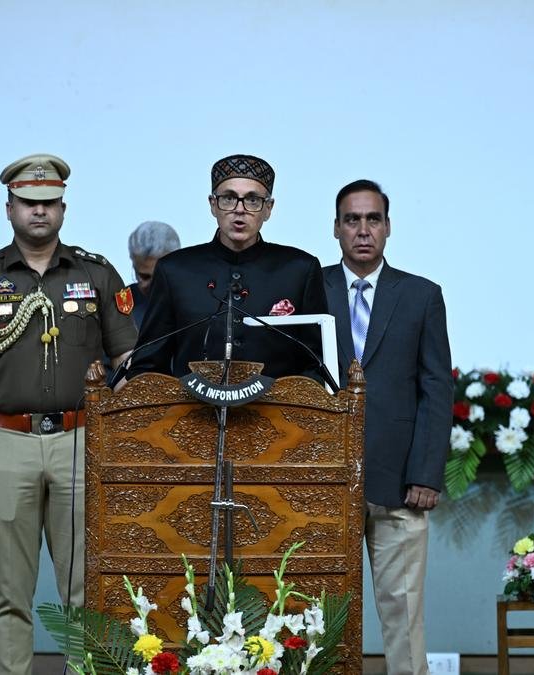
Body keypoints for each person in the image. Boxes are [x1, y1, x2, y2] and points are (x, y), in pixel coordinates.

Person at [0, 153, 137, 675]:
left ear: (63, 209)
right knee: (9, 592)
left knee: (84, 591)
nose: (39, 212)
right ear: (9, 208)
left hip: (81, 443)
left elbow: (129, 361)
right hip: (5, 445)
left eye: (49, 203)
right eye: (29, 203)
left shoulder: (96, 272)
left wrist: (122, 440)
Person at [323, 179, 452, 675]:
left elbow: (435, 388)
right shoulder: (312, 287)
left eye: (372, 219)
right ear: (336, 229)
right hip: (325, 481)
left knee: (402, 613)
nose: (362, 230)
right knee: (319, 614)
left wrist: (426, 473)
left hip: (400, 482)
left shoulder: (421, 295)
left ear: (388, 228)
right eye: (352, 220)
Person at [127, 154, 328, 380]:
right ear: (213, 205)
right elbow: (147, 367)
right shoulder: (174, 270)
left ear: (269, 208)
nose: (239, 209)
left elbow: (318, 367)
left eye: (252, 200)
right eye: (229, 198)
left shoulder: (299, 269)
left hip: (277, 413)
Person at [126, 220, 181, 329]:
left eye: (160, 277)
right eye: (144, 277)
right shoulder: (121, 303)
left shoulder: (203, 298)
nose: (154, 285)